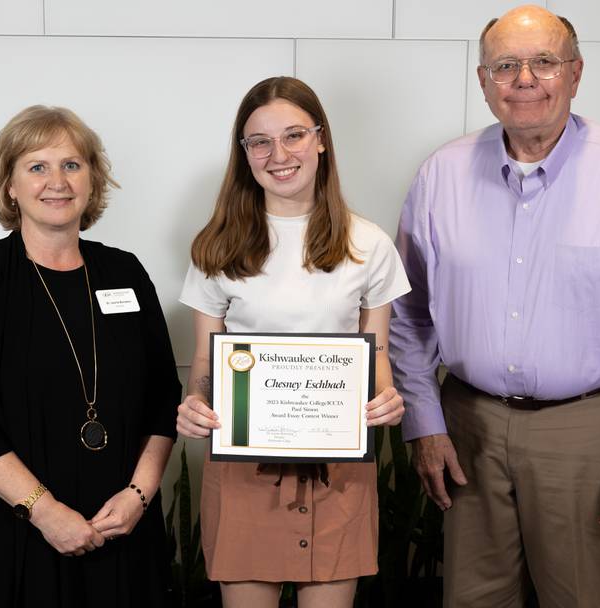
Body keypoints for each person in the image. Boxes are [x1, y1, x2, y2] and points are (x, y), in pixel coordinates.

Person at [389, 6, 600, 607]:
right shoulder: (441, 175)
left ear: (576, 74)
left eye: (543, 62)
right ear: (483, 81)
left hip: (584, 430)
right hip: (467, 427)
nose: (524, 79)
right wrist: (425, 424)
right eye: (505, 65)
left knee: (582, 599)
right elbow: (408, 314)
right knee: (471, 599)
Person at [0, 105, 181, 608]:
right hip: (9, 535)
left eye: (72, 164)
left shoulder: (125, 273)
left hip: (119, 533)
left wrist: (139, 496)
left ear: (93, 179)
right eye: (37, 167)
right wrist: (46, 514)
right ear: (9, 187)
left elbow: (162, 399)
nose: (57, 181)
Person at [176, 76, 411, 608]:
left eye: (294, 135)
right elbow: (204, 371)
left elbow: (378, 367)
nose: (278, 154)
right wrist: (195, 405)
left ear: (321, 139)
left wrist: (387, 403)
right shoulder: (215, 247)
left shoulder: (367, 244)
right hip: (242, 476)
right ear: (244, 154)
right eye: (259, 141)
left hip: (339, 477)